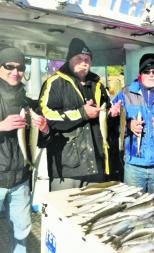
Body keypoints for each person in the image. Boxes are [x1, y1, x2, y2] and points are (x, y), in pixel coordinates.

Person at [39, 38, 111, 191]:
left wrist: (112, 113)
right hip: (67, 168)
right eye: (79, 58)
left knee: (94, 213)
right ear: (69, 59)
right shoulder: (55, 82)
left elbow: (105, 116)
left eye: (87, 59)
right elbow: (46, 115)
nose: (84, 62)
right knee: (65, 212)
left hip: (96, 164)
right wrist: (82, 113)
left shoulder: (98, 85)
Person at [110, 53, 154, 203]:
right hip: (133, 165)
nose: (151, 75)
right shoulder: (125, 93)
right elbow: (111, 122)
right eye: (147, 71)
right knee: (132, 208)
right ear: (140, 73)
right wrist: (127, 123)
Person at [0, 47, 49, 253]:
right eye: (9, 66)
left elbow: (43, 140)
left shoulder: (29, 103)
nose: (15, 72)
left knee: (22, 233)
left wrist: (45, 128)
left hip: (21, 180)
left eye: (20, 68)